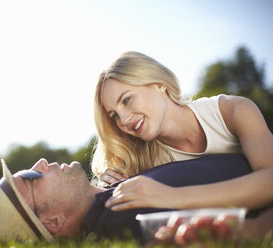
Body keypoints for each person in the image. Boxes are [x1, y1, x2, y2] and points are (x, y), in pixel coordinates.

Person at [92, 51, 273, 212]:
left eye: (126, 100)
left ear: (159, 84)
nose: (123, 120)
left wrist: (172, 196)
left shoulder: (233, 111)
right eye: (114, 115)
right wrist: (106, 187)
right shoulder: (138, 158)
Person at [0, 154, 271, 244]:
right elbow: (246, 229)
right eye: (30, 177)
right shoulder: (124, 220)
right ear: (53, 221)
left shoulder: (112, 196)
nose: (40, 162)